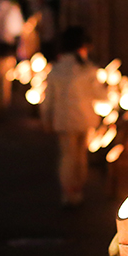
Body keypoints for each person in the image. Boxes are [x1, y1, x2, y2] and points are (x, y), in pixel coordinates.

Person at [42, 26, 106, 207]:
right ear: (83, 47)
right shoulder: (89, 70)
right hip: (86, 118)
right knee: (81, 156)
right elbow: (101, 96)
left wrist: (46, 117)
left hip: (63, 120)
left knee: (67, 155)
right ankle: (78, 188)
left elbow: (48, 99)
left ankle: (68, 192)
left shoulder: (56, 71)